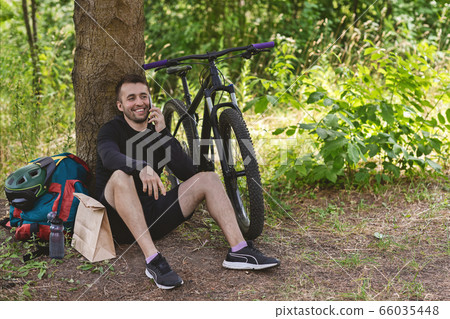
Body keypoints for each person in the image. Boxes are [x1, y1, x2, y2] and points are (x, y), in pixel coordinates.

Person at [95, 74, 280, 290]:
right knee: (120, 176)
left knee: (208, 179)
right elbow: (109, 157)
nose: (139, 103)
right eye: (131, 98)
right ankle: (153, 261)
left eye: (143, 96)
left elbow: (186, 173)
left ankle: (239, 250)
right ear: (120, 105)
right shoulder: (111, 130)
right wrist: (140, 167)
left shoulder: (156, 132)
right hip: (118, 223)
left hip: (153, 217)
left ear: (150, 100)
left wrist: (164, 133)